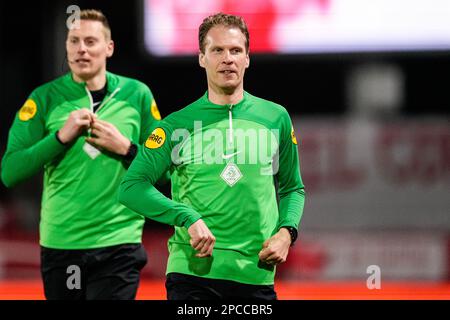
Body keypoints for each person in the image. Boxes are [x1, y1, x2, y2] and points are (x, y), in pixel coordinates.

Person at [119, 12, 305, 300]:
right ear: (201, 58)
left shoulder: (275, 118)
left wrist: (286, 233)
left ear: (247, 58)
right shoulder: (175, 125)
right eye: (217, 50)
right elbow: (132, 188)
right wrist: (185, 217)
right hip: (192, 276)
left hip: (256, 274)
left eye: (235, 50)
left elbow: (293, 188)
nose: (227, 58)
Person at [0, 9, 162, 300]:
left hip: (119, 242)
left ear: (109, 47)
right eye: (74, 41)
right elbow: (10, 172)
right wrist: (59, 138)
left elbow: (164, 168)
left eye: (90, 41)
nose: (81, 49)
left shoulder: (138, 95)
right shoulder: (43, 98)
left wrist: (127, 149)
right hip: (63, 244)